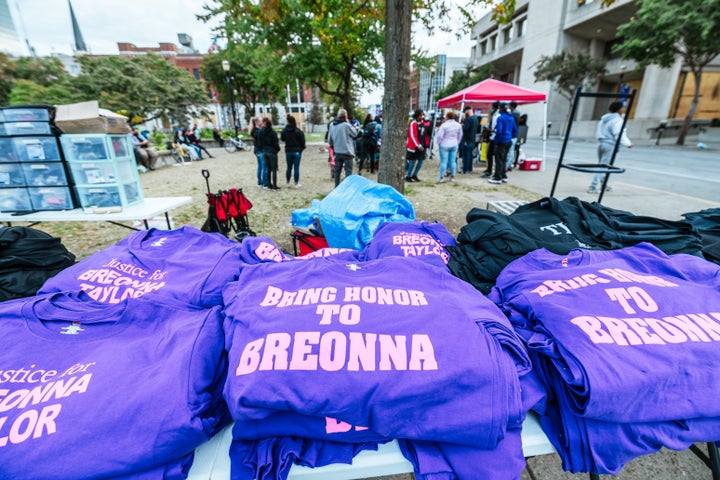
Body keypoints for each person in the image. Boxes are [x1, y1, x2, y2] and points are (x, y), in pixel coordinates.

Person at [589, 101, 633, 194]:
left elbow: (599, 132)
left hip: (601, 144)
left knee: (603, 165)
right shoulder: (618, 120)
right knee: (604, 167)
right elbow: (619, 134)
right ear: (619, 109)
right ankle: (593, 186)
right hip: (611, 145)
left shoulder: (604, 119)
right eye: (623, 107)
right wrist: (628, 143)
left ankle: (604, 184)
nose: (624, 109)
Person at [327, 108, 358, 187]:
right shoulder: (346, 125)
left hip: (338, 151)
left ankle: (336, 187)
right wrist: (353, 126)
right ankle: (347, 189)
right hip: (347, 152)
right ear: (345, 116)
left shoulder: (332, 125)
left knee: (337, 171)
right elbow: (355, 134)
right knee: (348, 172)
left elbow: (329, 140)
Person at [488, 103, 517, 184]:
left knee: (499, 160)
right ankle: (503, 175)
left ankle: (498, 177)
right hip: (509, 140)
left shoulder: (500, 118)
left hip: (502, 140)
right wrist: (511, 136)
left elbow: (499, 131)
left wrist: (497, 141)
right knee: (504, 159)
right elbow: (515, 129)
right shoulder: (511, 117)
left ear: (501, 109)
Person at [434, 111, 463, 183]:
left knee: (444, 161)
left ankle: (441, 177)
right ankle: (453, 176)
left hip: (444, 144)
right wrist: (457, 142)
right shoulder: (458, 125)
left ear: (447, 117)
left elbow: (440, 136)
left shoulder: (444, 125)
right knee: (453, 161)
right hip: (454, 143)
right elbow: (460, 135)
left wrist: (439, 142)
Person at [280, 114, 306, 188]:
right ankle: (296, 182)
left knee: (289, 167)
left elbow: (282, 138)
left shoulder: (285, 131)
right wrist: (301, 149)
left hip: (288, 150)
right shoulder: (298, 131)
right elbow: (302, 141)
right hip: (297, 151)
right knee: (296, 167)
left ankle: (288, 182)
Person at [257, 117, 281, 190]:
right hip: (272, 152)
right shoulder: (273, 132)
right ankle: (274, 186)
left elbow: (259, 142)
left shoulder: (261, 132)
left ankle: (269, 184)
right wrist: (277, 149)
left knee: (268, 169)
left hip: (265, 151)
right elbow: (276, 143)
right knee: (274, 169)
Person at [481, 101, 500, 178]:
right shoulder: (494, 115)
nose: (491, 109)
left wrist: (490, 130)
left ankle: (491, 171)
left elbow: (498, 128)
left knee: (493, 155)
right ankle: (489, 169)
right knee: (489, 154)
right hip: (492, 137)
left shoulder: (498, 116)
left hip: (495, 137)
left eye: (493, 107)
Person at [405, 109, 425, 182]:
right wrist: (418, 145)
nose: (422, 117)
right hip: (413, 146)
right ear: (417, 115)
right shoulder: (413, 123)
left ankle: (415, 174)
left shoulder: (422, 123)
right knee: (412, 162)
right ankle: (408, 175)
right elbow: (413, 135)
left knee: (421, 161)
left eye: (422, 115)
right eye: (420, 115)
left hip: (421, 145)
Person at [460, 106, 478, 174]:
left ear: (467, 111)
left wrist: (462, 126)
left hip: (467, 140)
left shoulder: (469, 119)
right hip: (472, 139)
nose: (465, 113)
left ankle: (466, 169)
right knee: (470, 155)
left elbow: (465, 128)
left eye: (465, 112)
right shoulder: (475, 118)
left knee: (466, 155)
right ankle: (469, 168)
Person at [250, 118, 266, 188]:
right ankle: (264, 182)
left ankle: (259, 182)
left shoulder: (253, 130)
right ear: (256, 122)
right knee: (263, 167)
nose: (261, 122)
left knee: (260, 167)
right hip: (260, 150)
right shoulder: (258, 131)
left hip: (256, 150)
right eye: (260, 121)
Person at [505, 101, 521, 171]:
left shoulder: (513, 115)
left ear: (511, 106)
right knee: (511, 151)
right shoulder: (517, 114)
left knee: (509, 151)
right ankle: (510, 165)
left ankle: (507, 166)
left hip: (511, 135)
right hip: (514, 135)